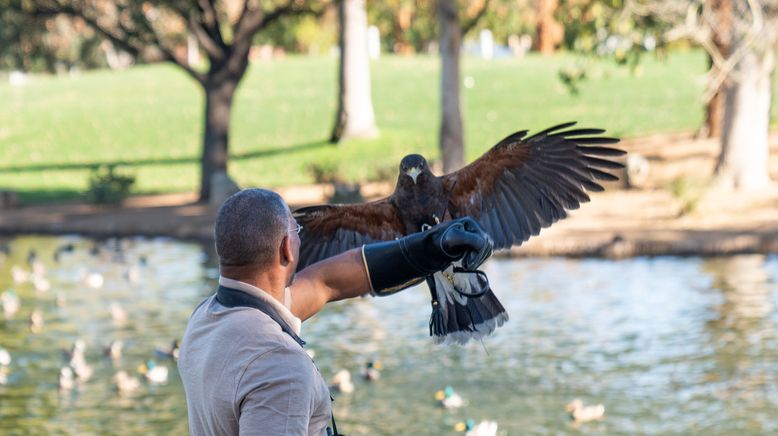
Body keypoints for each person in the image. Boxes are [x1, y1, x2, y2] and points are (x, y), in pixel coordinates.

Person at [178, 188, 493, 435]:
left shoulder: (208, 318)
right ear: (287, 248)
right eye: (297, 230)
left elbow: (324, 283)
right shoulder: (278, 365)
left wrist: (433, 247)